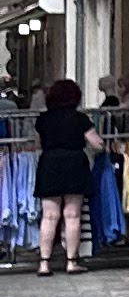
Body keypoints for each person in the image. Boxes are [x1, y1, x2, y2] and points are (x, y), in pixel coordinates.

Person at [33, 77, 92, 275]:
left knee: (49, 216)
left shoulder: (43, 119)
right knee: (72, 215)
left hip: (49, 164)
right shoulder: (80, 118)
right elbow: (96, 142)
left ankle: (44, 263)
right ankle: (72, 262)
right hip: (74, 164)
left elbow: (37, 144)